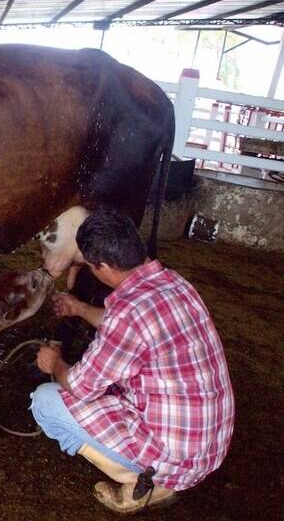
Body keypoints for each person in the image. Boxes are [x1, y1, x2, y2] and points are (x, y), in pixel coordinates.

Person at [31, 209, 234, 514]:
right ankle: (157, 473)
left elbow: (80, 386)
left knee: (45, 402)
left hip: (176, 459)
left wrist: (55, 362)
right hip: (209, 445)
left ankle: (147, 483)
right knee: (112, 384)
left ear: (101, 267)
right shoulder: (172, 282)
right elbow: (129, 325)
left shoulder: (128, 314)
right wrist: (81, 309)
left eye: (89, 265)